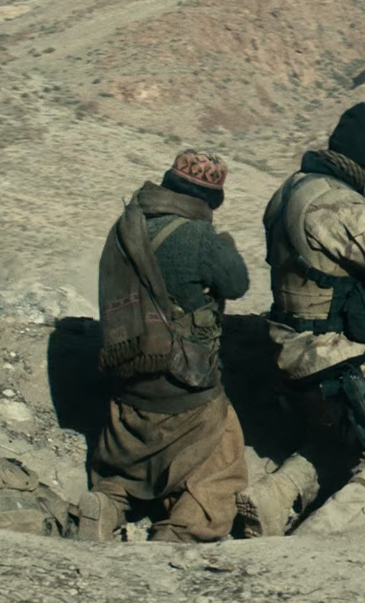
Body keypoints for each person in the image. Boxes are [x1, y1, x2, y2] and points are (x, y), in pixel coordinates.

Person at [236, 102, 365, 537]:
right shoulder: (332, 201)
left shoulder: (293, 189)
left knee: (339, 442)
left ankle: (273, 498)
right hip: (334, 356)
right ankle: (309, 548)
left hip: (295, 348)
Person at [79, 150, 250, 543]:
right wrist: (223, 245)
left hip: (128, 378)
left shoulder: (127, 225)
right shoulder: (200, 238)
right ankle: (182, 531)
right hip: (184, 385)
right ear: (211, 199)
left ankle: (107, 503)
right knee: (222, 457)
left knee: (123, 466)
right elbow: (237, 284)